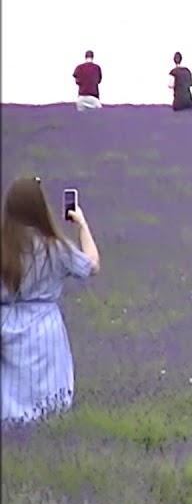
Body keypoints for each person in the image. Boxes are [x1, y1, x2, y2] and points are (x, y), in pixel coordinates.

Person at [1, 177, 102, 423]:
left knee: (9, 392)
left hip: (6, 324)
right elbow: (92, 265)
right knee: (48, 395)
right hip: (45, 326)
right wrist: (82, 224)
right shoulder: (55, 247)